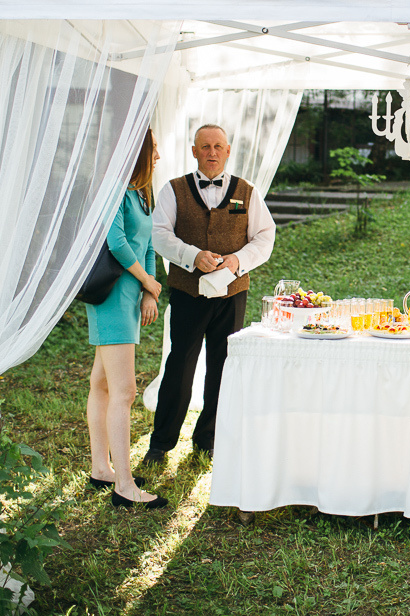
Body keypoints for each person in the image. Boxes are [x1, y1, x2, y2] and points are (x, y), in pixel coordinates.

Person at [145, 123, 276, 463]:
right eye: (205, 146)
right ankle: (160, 444)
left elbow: (264, 236)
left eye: (218, 146)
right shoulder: (173, 190)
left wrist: (236, 261)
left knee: (223, 366)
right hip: (188, 292)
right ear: (194, 151)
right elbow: (158, 234)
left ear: (228, 151)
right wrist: (192, 256)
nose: (212, 152)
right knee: (179, 366)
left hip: (232, 295)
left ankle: (209, 439)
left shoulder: (246, 192)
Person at [85, 128, 168, 509]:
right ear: (137, 153)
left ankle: (101, 468)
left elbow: (148, 245)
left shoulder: (141, 194)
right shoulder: (115, 190)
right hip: (112, 297)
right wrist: (147, 280)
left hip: (132, 294)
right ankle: (123, 485)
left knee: (101, 384)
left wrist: (151, 290)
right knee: (125, 392)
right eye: (153, 149)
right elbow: (117, 243)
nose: (158, 156)